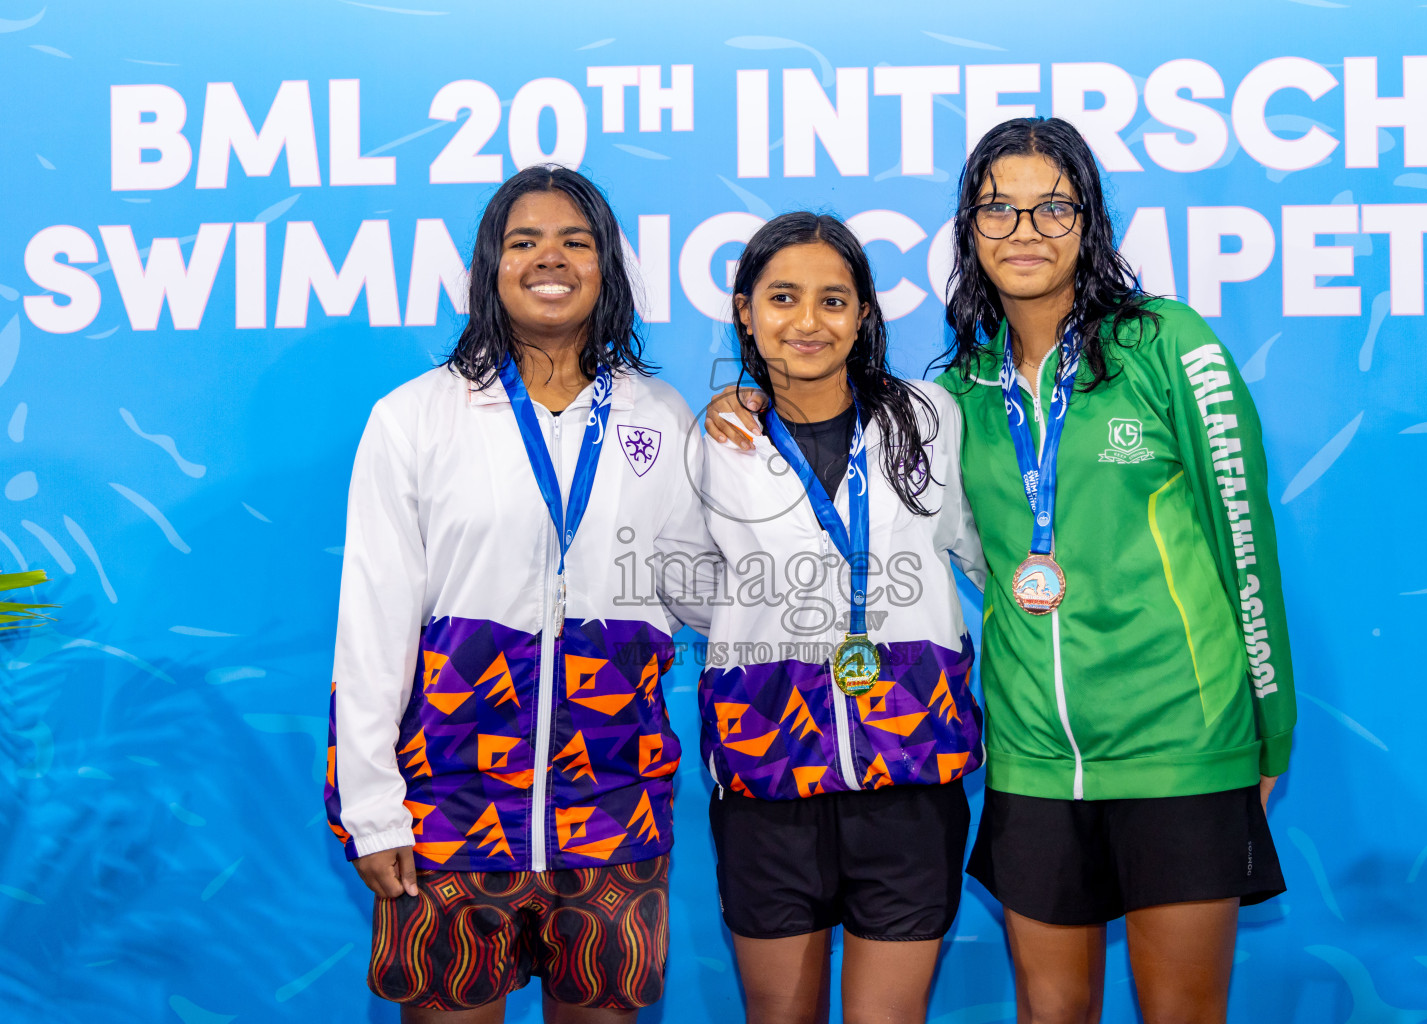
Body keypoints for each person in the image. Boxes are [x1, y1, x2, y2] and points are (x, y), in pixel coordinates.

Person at [706, 119, 1296, 1024]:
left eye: (1052, 206)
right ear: (969, 230)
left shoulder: (1168, 345)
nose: (1025, 229)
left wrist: (1268, 725)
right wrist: (752, 394)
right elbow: (854, 436)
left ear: (1090, 222)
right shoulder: (960, 397)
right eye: (998, 209)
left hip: (1180, 743)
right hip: (1031, 760)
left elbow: (1242, 540)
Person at [324, 166, 713, 1024]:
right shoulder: (416, 416)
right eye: (525, 240)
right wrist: (372, 806)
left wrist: (760, 473)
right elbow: (373, 619)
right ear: (489, 267)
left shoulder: (660, 414)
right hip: (450, 808)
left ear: (606, 267)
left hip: (615, 801)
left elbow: (704, 594)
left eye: (576, 241)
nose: (551, 258)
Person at [695, 212, 986, 1024]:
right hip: (766, 778)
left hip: (912, 775)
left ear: (863, 314)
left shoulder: (930, 420)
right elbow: (687, 588)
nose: (809, 321)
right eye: (783, 297)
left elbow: (980, 549)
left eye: (834, 299)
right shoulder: (713, 440)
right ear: (746, 311)